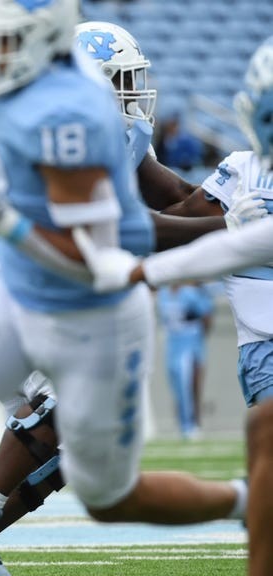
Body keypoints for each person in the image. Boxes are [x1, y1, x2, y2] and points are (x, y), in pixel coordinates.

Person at [0, 4, 247, 576]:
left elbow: (96, 244)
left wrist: (233, 216)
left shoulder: (75, 115)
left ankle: (249, 503)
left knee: (85, 476)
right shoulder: (48, 84)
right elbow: (164, 205)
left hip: (70, 287)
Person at [72, 35, 273, 576]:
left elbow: (186, 223)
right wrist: (221, 223)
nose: (135, 94)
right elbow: (179, 216)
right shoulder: (246, 168)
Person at [157, 283, 214, 439]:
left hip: (191, 343)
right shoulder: (163, 293)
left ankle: (193, 423)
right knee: (177, 386)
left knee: (191, 384)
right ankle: (183, 424)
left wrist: (199, 341)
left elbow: (206, 315)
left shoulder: (190, 293)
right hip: (172, 344)